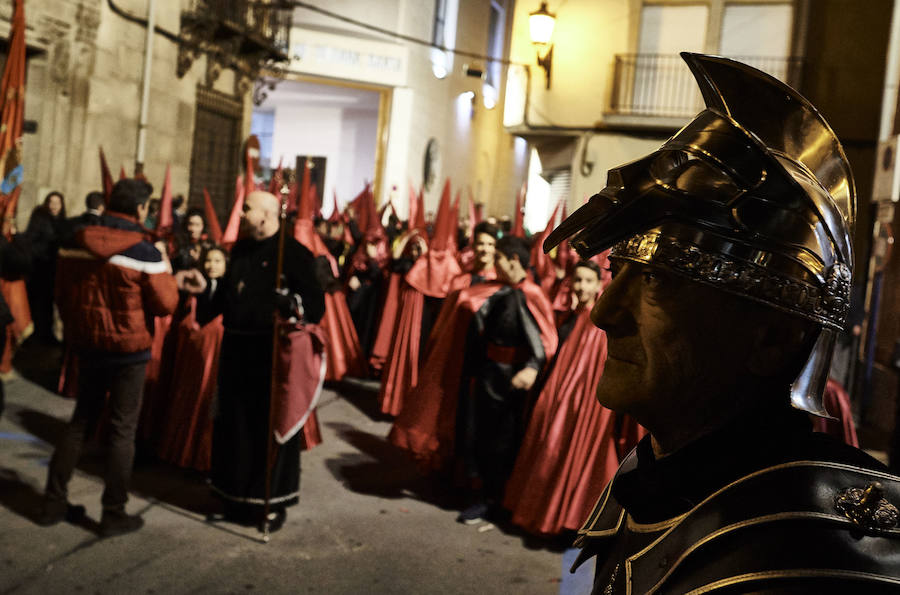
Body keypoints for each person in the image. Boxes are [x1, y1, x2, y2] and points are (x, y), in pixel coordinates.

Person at [543, 53, 900, 592]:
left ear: (774, 337)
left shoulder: (819, 558)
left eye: (660, 281)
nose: (603, 311)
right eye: (618, 272)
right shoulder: (656, 476)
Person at [178, 190, 325, 531]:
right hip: (236, 349)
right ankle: (234, 497)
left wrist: (291, 303)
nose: (240, 213)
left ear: (267, 215)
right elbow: (227, 297)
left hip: (270, 354)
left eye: (246, 208)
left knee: (266, 430)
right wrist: (207, 288)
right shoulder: (240, 250)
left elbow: (315, 306)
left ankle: (269, 504)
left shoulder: (295, 254)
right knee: (234, 426)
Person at [39, 178, 178, 536]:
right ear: (141, 209)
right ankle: (113, 513)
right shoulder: (145, 252)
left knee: (80, 421)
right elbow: (166, 305)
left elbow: (60, 292)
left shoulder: (75, 240)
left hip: (87, 344)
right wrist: (165, 267)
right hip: (129, 352)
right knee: (121, 430)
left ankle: (52, 503)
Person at [389, 236, 558, 525]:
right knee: (477, 435)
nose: (494, 265)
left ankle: (492, 499)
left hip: (510, 383)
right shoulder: (497, 290)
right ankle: (478, 491)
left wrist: (531, 367)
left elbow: (545, 340)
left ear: (513, 261)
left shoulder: (530, 293)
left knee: (501, 441)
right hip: (484, 376)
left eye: (499, 259)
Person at [24, 191, 67, 343]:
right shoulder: (39, 219)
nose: (54, 206)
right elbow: (30, 241)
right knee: (36, 302)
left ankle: (47, 334)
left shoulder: (62, 221)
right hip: (38, 267)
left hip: (53, 269)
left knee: (49, 302)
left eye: (58, 203)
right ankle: (33, 334)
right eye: (52, 202)